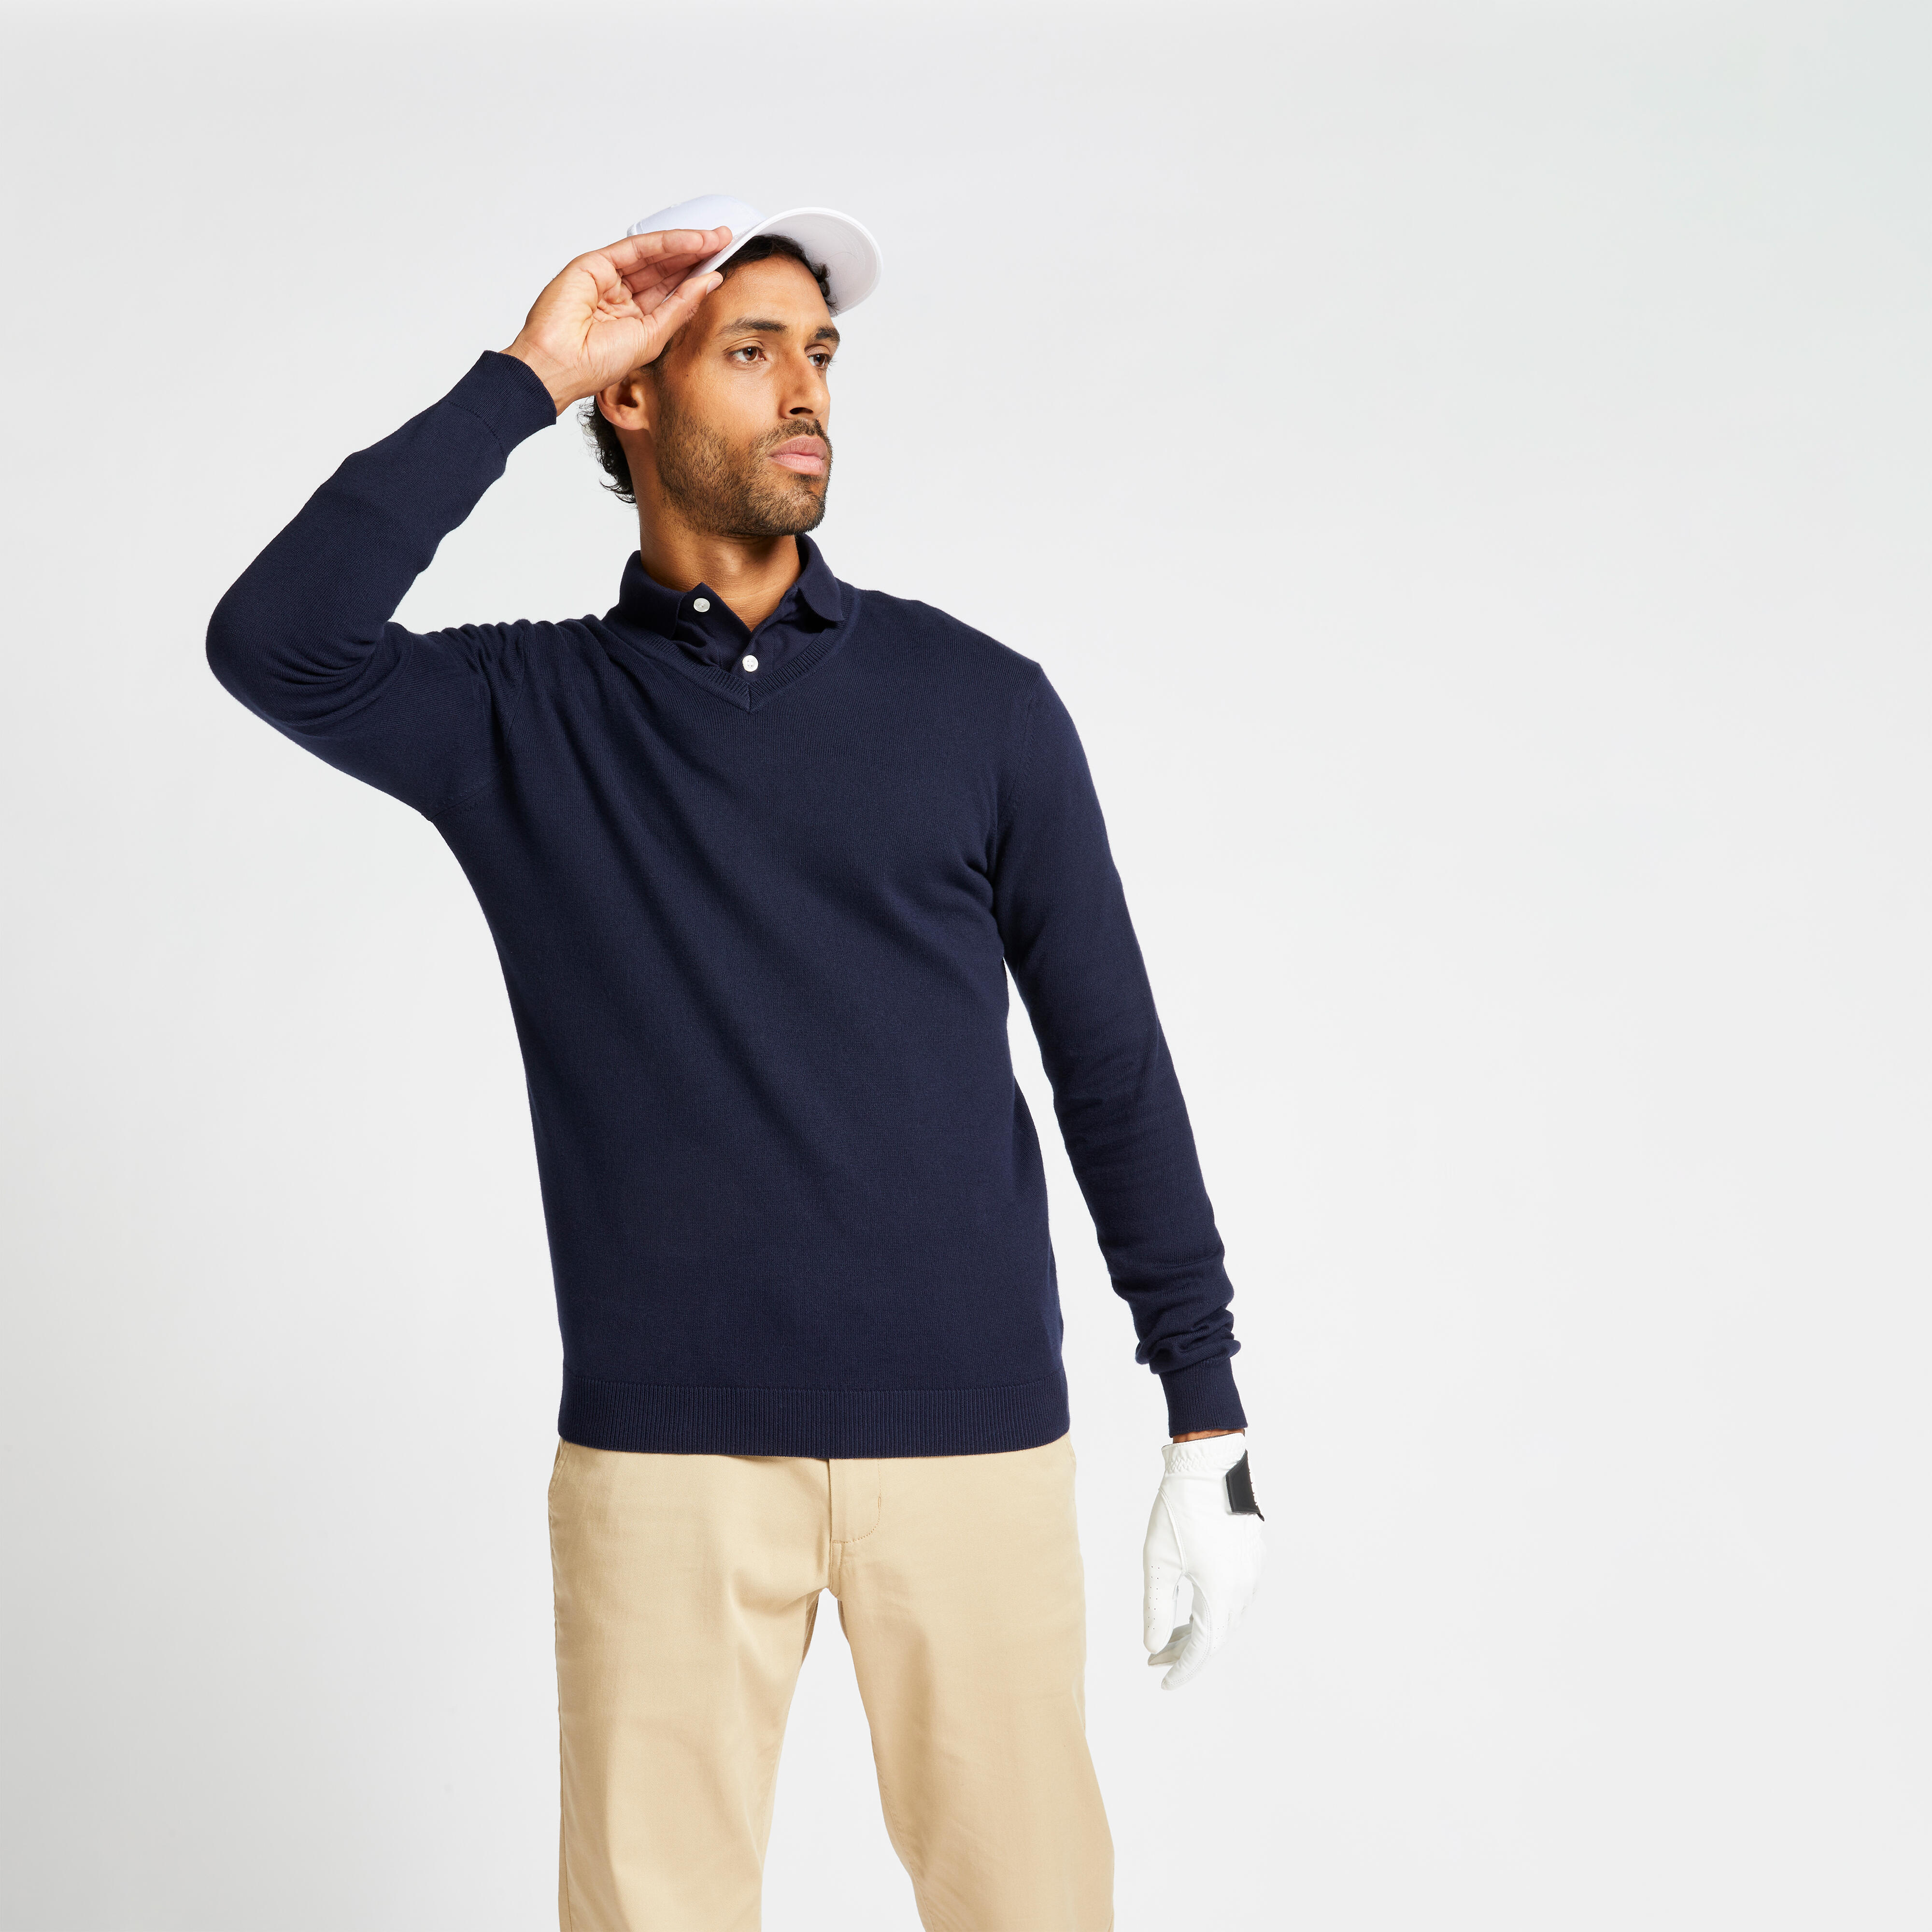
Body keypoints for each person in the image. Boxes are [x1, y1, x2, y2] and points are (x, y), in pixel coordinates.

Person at [207, 194, 1266, 1932]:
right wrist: (526, 374)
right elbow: (276, 638)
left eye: (822, 354)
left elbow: (1113, 1071)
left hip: (973, 1447)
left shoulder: (982, 705)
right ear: (634, 396)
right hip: (666, 1465)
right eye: (753, 350)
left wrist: (1206, 1413)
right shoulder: (523, 717)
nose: (807, 391)